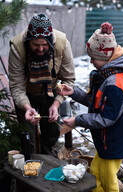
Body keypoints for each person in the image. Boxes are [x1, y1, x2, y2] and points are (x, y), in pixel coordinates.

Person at [58, 22, 123, 192]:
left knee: (108, 179)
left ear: (106, 57)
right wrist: (73, 93)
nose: (91, 61)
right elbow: (94, 100)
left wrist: (77, 120)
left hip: (113, 142)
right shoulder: (106, 76)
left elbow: (107, 118)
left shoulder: (115, 84)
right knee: (95, 172)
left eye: (94, 57)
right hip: (105, 141)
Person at [8, 14, 75, 154]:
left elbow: (69, 79)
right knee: (27, 136)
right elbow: (17, 86)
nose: (40, 49)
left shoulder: (62, 44)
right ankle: (30, 161)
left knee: (52, 131)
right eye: (36, 45)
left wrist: (56, 104)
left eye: (44, 44)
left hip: (51, 91)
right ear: (28, 41)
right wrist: (27, 107)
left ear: (51, 41)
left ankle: (47, 155)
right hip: (26, 92)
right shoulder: (17, 47)